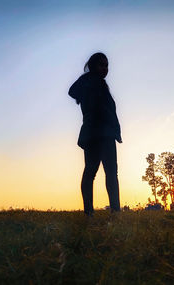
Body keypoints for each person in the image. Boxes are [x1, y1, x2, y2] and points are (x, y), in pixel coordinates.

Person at [68, 52, 122, 216]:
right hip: (99, 133)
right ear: (92, 66)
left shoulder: (97, 83)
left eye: (106, 65)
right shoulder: (92, 82)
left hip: (98, 133)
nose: (105, 69)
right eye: (101, 64)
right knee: (102, 173)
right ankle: (107, 212)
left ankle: (95, 212)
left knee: (97, 172)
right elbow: (99, 109)